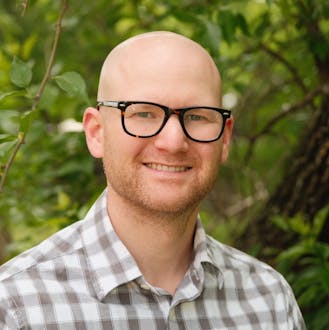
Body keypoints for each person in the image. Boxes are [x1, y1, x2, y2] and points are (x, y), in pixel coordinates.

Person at [0, 31, 305, 329]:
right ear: (96, 133)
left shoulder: (270, 300)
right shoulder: (16, 306)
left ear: (224, 139)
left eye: (197, 116)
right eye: (143, 114)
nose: (173, 142)